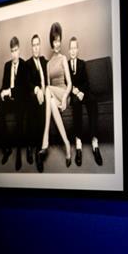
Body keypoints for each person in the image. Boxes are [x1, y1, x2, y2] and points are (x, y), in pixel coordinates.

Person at [0, 36, 27, 170]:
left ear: (19, 50)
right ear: (10, 51)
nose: (14, 54)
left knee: (19, 112)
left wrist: (9, 92)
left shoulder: (24, 65)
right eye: (12, 51)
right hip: (8, 101)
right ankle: (7, 149)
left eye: (16, 50)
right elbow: (2, 87)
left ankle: (18, 152)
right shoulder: (7, 66)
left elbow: (23, 89)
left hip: (19, 100)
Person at [41, 22, 73, 168]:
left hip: (64, 92)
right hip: (54, 95)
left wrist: (65, 98)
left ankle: (45, 136)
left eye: (59, 40)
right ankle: (66, 143)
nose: (57, 43)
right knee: (51, 100)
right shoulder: (48, 64)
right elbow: (48, 91)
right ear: (51, 42)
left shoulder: (63, 58)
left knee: (48, 89)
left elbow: (70, 84)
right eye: (55, 41)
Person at [67, 36, 102, 167]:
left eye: (75, 48)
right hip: (74, 94)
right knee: (76, 104)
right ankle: (78, 143)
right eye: (71, 48)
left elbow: (87, 82)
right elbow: (66, 83)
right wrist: (74, 91)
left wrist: (81, 91)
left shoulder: (82, 63)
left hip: (84, 92)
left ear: (78, 49)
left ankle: (94, 142)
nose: (73, 51)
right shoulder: (66, 64)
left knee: (93, 101)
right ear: (69, 50)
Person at [26, 33, 50, 172]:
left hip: (45, 94)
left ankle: (37, 149)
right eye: (33, 45)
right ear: (31, 47)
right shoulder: (28, 64)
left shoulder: (44, 61)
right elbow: (27, 82)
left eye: (37, 45)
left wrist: (46, 90)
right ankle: (35, 149)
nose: (36, 48)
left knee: (44, 103)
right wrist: (37, 90)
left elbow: (49, 79)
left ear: (40, 46)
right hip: (34, 96)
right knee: (35, 102)